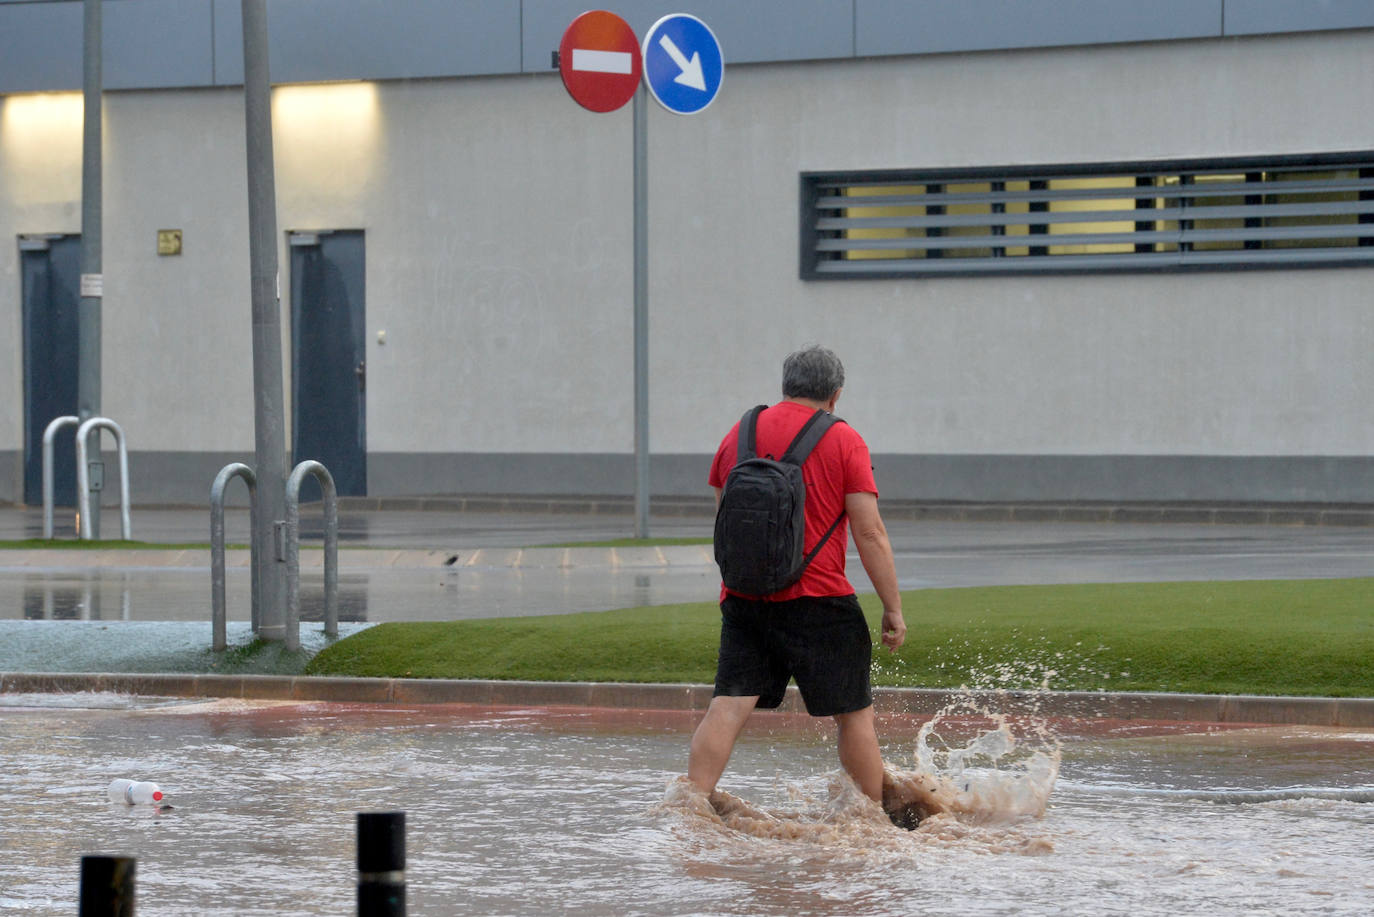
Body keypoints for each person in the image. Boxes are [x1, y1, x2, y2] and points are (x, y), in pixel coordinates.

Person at [687, 345, 907, 805]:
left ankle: (689, 806)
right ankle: (867, 822)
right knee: (853, 715)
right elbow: (870, 532)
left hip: (745, 598)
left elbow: (724, 511)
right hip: (820, 600)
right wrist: (892, 607)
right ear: (835, 395)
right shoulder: (844, 439)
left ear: (786, 385)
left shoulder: (741, 432)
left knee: (727, 706)